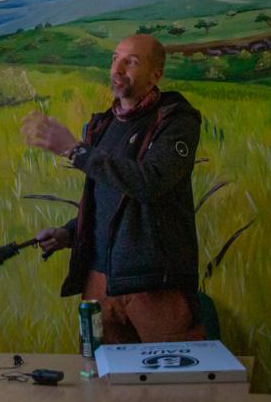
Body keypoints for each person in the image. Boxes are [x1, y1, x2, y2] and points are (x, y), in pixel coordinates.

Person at [20, 34, 204, 343]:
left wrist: (76, 152)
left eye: (131, 62)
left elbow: (150, 181)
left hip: (155, 286)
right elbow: (106, 199)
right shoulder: (102, 125)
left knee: (175, 385)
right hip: (99, 282)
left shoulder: (176, 120)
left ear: (155, 75)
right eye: (114, 58)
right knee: (99, 380)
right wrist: (70, 232)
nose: (117, 69)